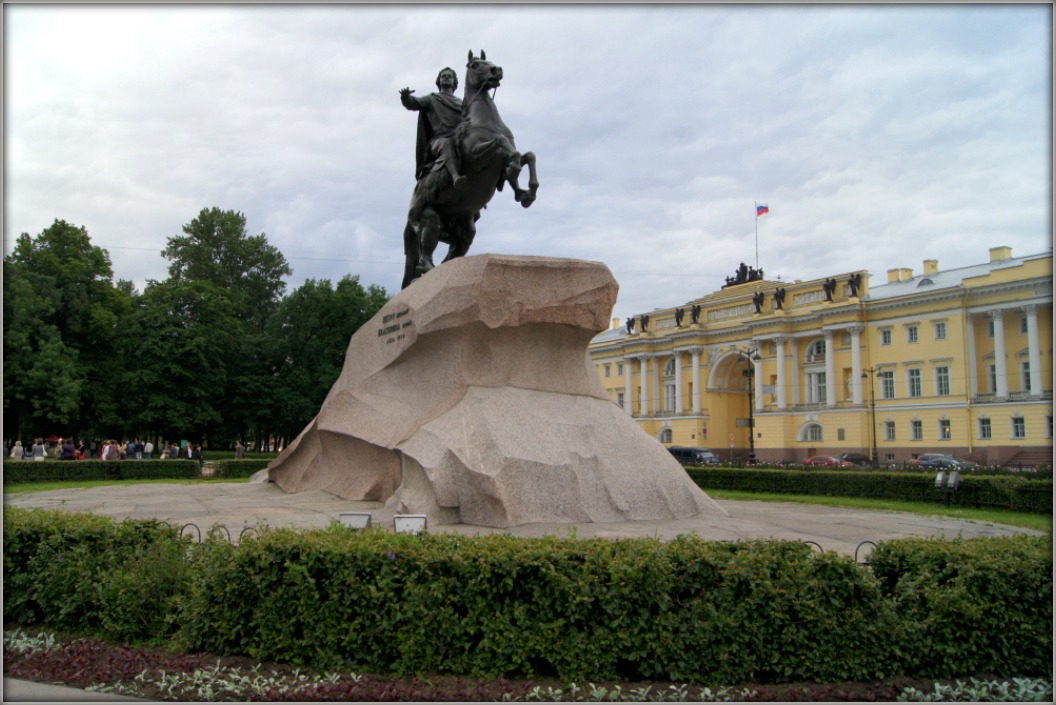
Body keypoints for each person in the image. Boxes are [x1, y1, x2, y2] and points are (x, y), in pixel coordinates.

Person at [400, 67, 467, 206]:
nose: (446, 77)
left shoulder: (462, 104)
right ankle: (455, 176)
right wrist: (405, 98)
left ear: (455, 82)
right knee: (447, 144)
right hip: (439, 141)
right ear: (439, 81)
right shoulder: (432, 99)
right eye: (443, 76)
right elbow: (414, 103)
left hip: (458, 140)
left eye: (449, 76)